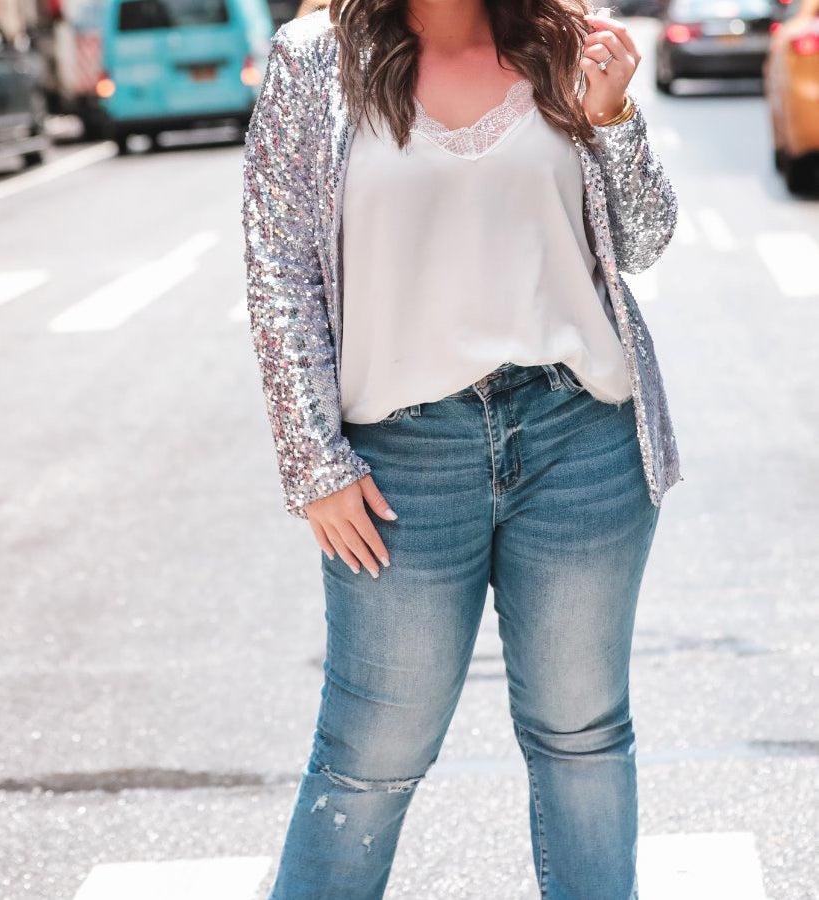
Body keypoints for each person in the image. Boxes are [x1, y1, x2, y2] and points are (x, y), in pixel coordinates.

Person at [241, 0, 680, 896]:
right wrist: (314, 463)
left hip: (578, 436)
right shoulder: (312, 58)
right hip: (401, 460)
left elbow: (644, 240)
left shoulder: (567, 41)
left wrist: (612, 117)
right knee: (369, 752)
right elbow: (278, 265)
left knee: (583, 737)